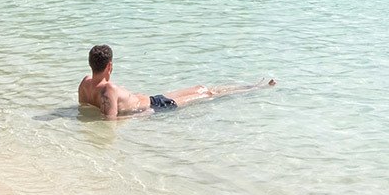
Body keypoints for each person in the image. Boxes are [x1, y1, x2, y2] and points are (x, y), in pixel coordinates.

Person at [77, 45, 274, 121]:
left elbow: (85, 107)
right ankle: (255, 87)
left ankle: (253, 87)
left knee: (201, 89)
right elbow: (110, 121)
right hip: (157, 106)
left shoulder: (85, 83)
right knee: (206, 92)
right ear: (110, 66)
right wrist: (144, 115)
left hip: (154, 100)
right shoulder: (108, 89)